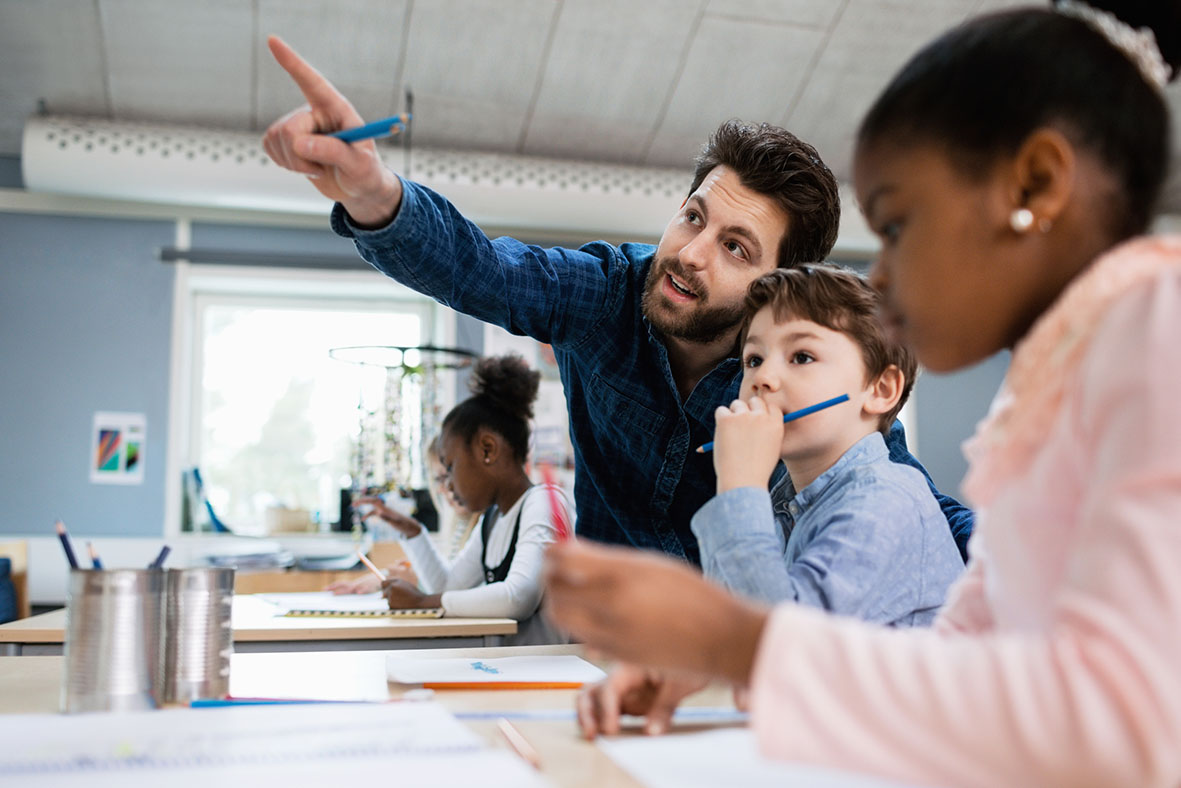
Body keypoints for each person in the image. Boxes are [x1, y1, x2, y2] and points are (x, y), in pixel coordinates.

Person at [545, 2, 1181, 784]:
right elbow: (960, 656)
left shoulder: (1156, 332)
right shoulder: (1054, 386)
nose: (879, 278)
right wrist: (715, 665)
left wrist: (739, 644)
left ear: (1037, 184)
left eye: (898, 224)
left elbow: (1127, 724)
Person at [261, 37, 974, 563]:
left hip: (725, 649)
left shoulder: (800, 374)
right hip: (603, 640)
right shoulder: (601, 293)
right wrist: (373, 194)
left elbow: (900, 489)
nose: (692, 251)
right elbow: (476, 266)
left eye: (735, 247)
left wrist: (1012, 573)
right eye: (693, 216)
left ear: (776, 284)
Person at [694, 265, 962, 619]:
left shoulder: (885, 501)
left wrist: (740, 487)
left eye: (802, 357)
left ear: (881, 390)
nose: (763, 378)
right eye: (754, 359)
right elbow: (730, 626)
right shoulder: (782, 501)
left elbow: (779, 645)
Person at [361, 355, 573, 645]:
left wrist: (425, 602)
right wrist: (413, 532)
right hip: (517, 670)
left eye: (450, 467)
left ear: (488, 449)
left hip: (555, 676)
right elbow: (449, 587)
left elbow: (517, 597)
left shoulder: (543, 503)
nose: (447, 484)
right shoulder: (493, 519)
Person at [327, 436, 478, 595]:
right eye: (438, 480)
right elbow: (451, 579)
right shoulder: (462, 526)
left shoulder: (486, 526)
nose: (443, 488)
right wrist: (382, 579)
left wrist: (415, 582)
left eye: (446, 476)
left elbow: (459, 591)